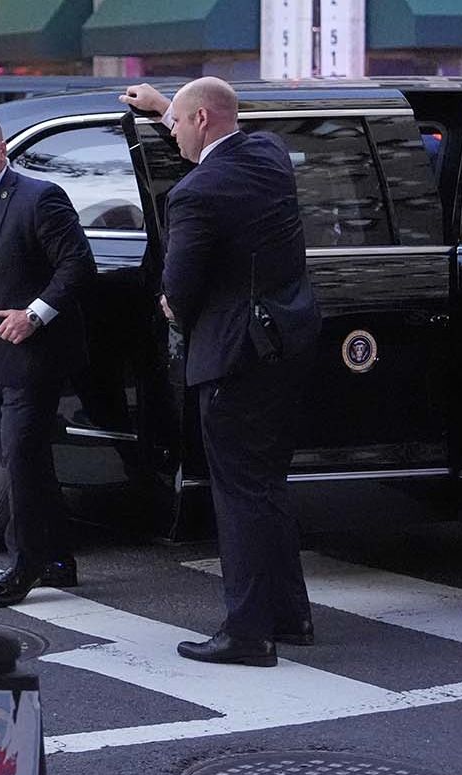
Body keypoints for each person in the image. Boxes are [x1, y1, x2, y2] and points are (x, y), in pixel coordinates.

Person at [120, 78, 321, 667]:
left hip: (234, 355)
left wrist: (168, 304)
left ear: (202, 119)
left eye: (179, 124)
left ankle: (249, 632)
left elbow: (179, 290)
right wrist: (163, 108)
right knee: (266, 487)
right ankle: (291, 615)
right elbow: (213, 138)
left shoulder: (194, 195)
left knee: (237, 497)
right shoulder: (269, 155)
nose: (174, 133)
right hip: (286, 342)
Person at [0, 113, 96, 610]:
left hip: (36, 352)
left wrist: (34, 315)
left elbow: (78, 264)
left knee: (20, 454)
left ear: (1, 149)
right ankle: (58, 558)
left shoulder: (38, 197)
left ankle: (24, 564)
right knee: (28, 460)